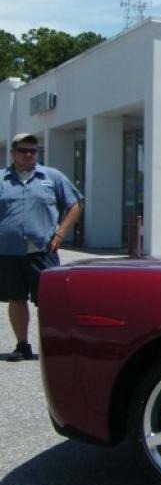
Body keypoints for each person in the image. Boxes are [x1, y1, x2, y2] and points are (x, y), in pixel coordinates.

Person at [1, 133, 83, 361]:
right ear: (13, 153)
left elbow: (75, 204)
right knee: (16, 298)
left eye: (32, 151)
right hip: (9, 251)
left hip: (42, 251)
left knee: (48, 301)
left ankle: (52, 347)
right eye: (23, 150)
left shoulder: (52, 177)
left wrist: (61, 232)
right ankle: (21, 345)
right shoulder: (2, 179)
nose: (28, 155)